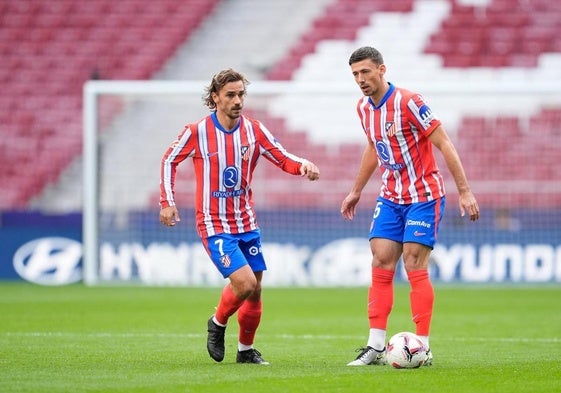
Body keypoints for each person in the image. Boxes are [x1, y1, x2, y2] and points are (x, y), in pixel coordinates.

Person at [159, 68, 320, 365]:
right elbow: (169, 159)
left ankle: (245, 351)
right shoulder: (196, 132)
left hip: (246, 222)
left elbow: (282, 157)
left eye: (241, 94)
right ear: (215, 97)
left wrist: (303, 166)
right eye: (230, 95)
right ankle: (217, 322)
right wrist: (167, 201)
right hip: (214, 223)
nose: (237, 100)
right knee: (244, 284)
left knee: (256, 291)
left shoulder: (254, 130)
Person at [341, 47, 480, 366]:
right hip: (390, 196)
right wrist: (356, 190)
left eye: (365, 72)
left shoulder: (409, 102)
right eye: (355, 75)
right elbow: (374, 149)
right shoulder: (364, 109)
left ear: (381, 69)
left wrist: (465, 191)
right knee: (381, 259)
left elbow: (444, 142)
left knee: (413, 261)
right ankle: (375, 346)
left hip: (423, 195)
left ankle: (423, 346)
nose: (361, 80)